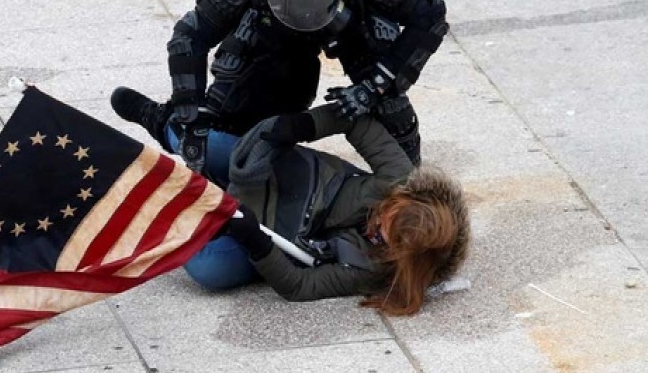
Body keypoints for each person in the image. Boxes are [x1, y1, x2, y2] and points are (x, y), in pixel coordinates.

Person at [111, 0, 449, 186]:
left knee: (398, 135)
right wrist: (190, 110)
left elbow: (429, 17)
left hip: (351, 25)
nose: (306, 6)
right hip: (273, 28)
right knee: (224, 126)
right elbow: (189, 37)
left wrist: (375, 86)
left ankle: (409, 181)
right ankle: (161, 120)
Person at [182, 104, 470, 316]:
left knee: (209, 269)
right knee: (201, 143)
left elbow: (299, 286)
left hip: (271, 233)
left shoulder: (371, 270)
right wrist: (303, 125)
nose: (374, 227)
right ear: (405, 198)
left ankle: (180, 205)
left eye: (382, 239)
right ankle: (155, 122)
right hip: (283, 175)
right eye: (386, 212)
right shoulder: (400, 178)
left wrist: (256, 243)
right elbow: (358, 123)